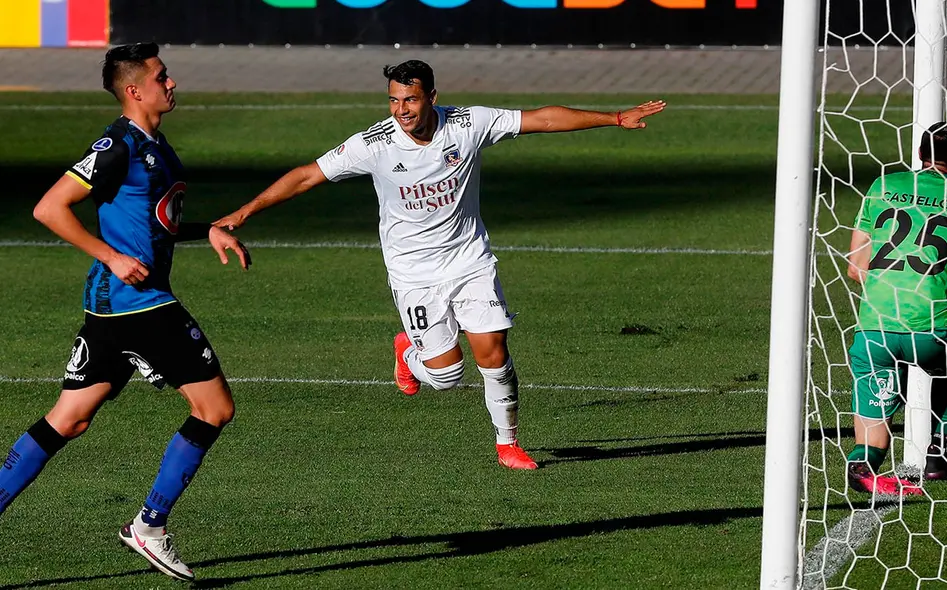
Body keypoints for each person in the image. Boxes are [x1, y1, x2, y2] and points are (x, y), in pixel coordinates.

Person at [215, 59, 665, 470]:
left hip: (469, 259)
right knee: (447, 377)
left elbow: (542, 119)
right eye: (394, 100)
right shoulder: (373, 144)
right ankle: (408, 353)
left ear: (431, 96)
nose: (402, 110)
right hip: (413, 273)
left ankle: (507, 443)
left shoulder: (468, 123)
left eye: (410, 99)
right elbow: (308, 174)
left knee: (494, 350)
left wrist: (614, 117)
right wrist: (245, 211)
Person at [0, 43, 250, 581]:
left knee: (69, 419)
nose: (172, 83)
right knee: (214, 409)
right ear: (135, 90)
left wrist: (201, 229)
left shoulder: (155, 145)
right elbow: (49, 207)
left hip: (111, 308)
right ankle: (150, 527)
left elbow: (153, 222)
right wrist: (110, 255)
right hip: (138, 306)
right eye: (162, 77)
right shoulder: (117, 145)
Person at [845, 121, 947, 496]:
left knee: (876, 393)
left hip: (876, 326)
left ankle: (863, 463)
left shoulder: (883, 187)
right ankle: (935, 454)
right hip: (934, 328)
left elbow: (854, 268)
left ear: (919, 154)